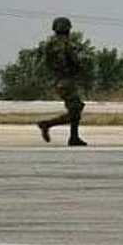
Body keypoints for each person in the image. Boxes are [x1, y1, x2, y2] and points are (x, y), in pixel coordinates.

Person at [36, 17, 88, 147]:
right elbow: (75, 61)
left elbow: (45, 62)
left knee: (75, 108)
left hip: (57, 80)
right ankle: (48, 125)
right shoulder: (66, 44)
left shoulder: (49, 44)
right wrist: (82, 72)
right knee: (76, 109)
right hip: (67, 80)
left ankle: (73, 137)